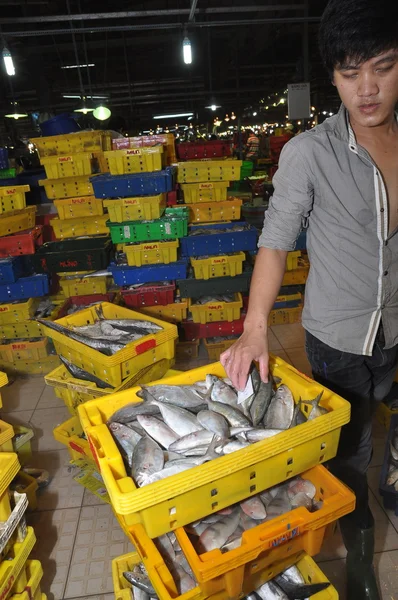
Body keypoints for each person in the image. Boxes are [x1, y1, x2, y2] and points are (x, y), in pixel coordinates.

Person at [221, 1, 398, 598]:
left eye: (383, 67)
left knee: (387, 433)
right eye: (351, 74)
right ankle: (362, 556)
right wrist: (254, 325)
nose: (368, 89)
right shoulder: (309, 153)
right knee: (352, 452)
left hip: (397, 328)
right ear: (332, 77)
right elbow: (275, 240)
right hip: (338, 338)